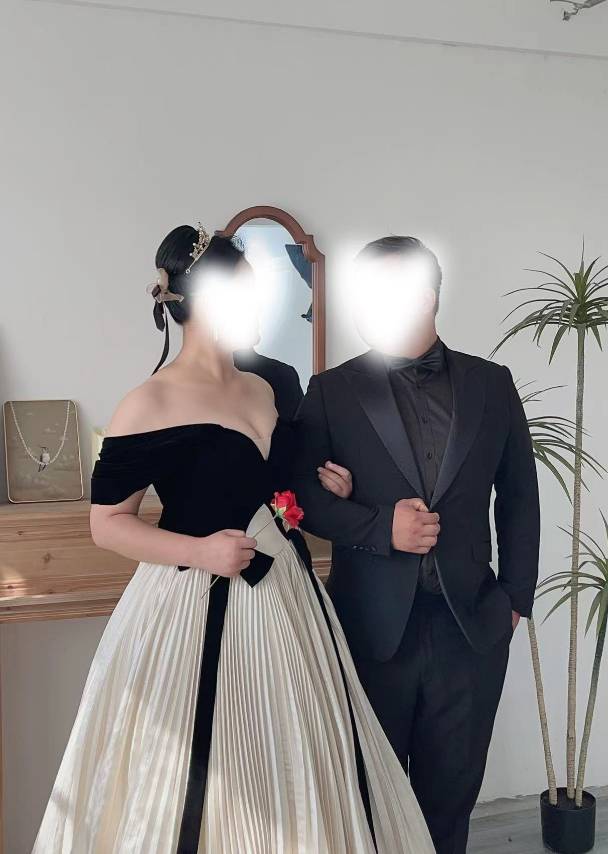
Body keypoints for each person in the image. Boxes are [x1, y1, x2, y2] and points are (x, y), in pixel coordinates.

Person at [32, 224, 433, 854]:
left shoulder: (265, 386)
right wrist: (197, 551)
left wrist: (331, 485)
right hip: (192, 600)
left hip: (289, 597)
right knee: (204, 772)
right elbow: (105, 523)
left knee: (299, 756)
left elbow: (274, 485)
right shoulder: (149, 401)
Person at [293, 236, 540, 854]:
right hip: (371, 629)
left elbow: (518, 495)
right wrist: (380, 526)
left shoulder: (492, 384)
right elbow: (300, 501)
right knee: (369, 799)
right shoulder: (331, 390)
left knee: (449, 804)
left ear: (427, 297)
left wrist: (515, 599)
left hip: (471, 629)